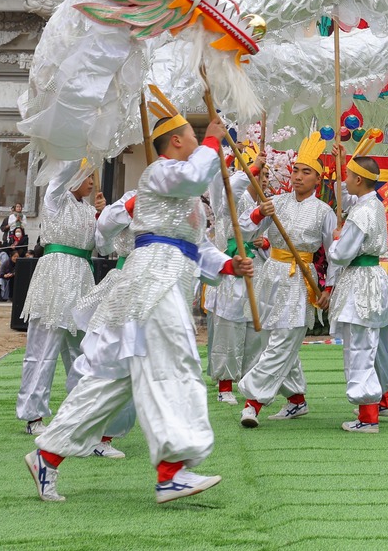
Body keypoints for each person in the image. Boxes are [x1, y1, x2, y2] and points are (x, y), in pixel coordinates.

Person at [26, 98, 252, 506]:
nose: (198, 139)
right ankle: (172, 472)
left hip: (159, 280)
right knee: (176, 365)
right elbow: (195, 178)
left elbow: (196, 247)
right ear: (177, 142)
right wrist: (214, 142)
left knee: (112, 382)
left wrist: (228, 265)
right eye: (194, 136)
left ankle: (48, 455)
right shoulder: (161, 173)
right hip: (153, 282)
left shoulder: (184, 194)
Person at [235, 131, 336, 427]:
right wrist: (258, 214)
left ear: (317, 179)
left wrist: (329, 287)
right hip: (272, 275)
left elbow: (334, 254)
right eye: (296, 170)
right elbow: (243, 232)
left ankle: (253, 402)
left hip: (299, 280)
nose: (298, 176)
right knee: (273, 340)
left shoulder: (324, 212)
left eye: (306, 172)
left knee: (282, 341)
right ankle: (296, 400)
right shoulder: (275, 203)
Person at [18, 164, 103, 433]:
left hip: (82, 279)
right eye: (87, 176)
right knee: (43, 350)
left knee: (83, 349)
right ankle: (33, 416)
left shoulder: (90, 211)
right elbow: (61, 175)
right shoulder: (55, 199)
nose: (91, 181)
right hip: (54, 277)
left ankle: (80, 411)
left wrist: (105, 217)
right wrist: (81, 148)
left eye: (92, 176)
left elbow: (104, 246)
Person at [326, 146, 388, 434]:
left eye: (348, 176)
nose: (345, 181)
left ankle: (368, 415)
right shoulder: (373, 204)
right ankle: (380, 402)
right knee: (372, 345)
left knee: (359, 347)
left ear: (358, 180)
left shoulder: (362, 212)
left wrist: (335, 241)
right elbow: (343, 197)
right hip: (372, 279)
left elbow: (342, 254)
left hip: (360, 282)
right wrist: (344, 160)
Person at [204, 148, 262, 407]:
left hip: (251, 267)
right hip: (229, 272)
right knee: (227, 329)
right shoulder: (225, 199)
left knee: (252, 330)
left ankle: (248, 381)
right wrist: (254, 168)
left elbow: (259, 228)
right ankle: (224, 385)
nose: (259, 179)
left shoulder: (254, 201)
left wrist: (264, 242)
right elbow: (232, 187)